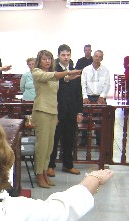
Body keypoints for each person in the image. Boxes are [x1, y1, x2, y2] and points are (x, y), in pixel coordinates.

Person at [32, 50, 81, 188]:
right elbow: (53, 76)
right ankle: (39, 175)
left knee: (49, 147)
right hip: (42, 111)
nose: (47, 61)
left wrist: (69, 77)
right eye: (44, 59)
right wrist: (67, 72)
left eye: (49, 59)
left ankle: (45, 172)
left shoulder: (54, 75)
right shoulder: (37, 72)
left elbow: (60, 79)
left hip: (53, 112)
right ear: (39, 61)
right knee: (42, 146)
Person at [47, 44, 83, 178]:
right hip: (56, 111)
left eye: (68, 55)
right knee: (54, 140)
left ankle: (68, 165)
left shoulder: (74, 71)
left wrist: (79, 112)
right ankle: (50, 165)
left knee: (69, 139)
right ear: (58, 56)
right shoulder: (54, 71)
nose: (66, 57)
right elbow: (52, 89)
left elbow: (79, 93)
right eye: (63, 55)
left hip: (71, 111)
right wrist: (65, 79)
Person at [80, 50, 110, 146]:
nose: (97, 58)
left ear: (102, 58)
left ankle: (99, 141)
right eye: (96, 56)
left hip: (100, 97)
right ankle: (84, 141)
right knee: (85, 119)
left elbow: (107, 84)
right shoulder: (86, 70)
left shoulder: (105, 70)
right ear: (93, 56)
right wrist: (84, 96)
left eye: (100, 56)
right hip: (88, 97)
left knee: (99, 120)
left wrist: (102, 96)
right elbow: (83, 84)